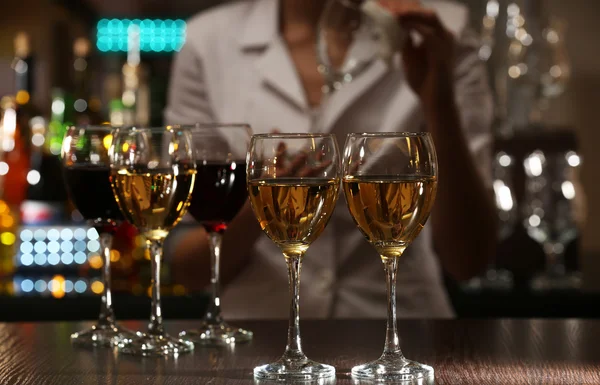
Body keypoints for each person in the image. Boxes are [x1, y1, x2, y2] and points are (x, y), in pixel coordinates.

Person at [164, 0, 497, 319]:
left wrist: (438, 101)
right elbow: (188, 269)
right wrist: (263, 205)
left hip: (402, 333)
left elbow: (468, 261)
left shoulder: (441, 31)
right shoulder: (208, 42)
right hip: (261, 339)